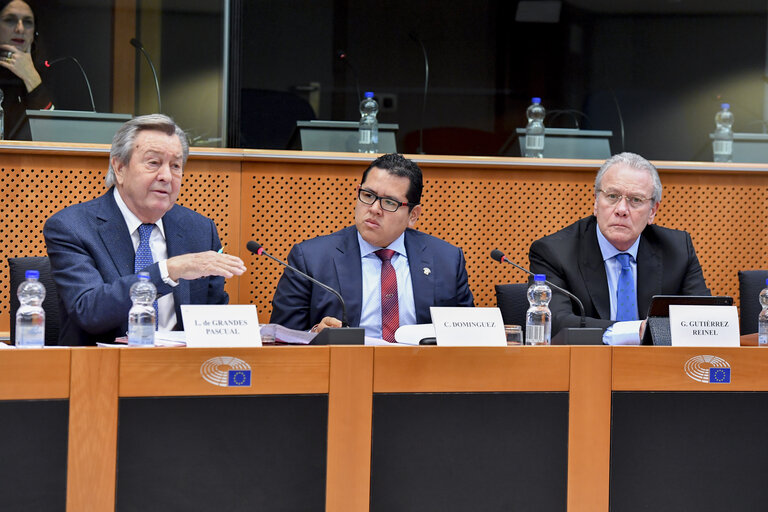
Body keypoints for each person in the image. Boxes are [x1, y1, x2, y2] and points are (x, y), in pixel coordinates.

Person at [43, 114, 246, 345]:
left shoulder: (199, 229)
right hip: (104, 371)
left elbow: (213, 314)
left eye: (176, 166)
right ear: (119, 167)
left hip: (182, 370)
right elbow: (89, 310)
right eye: (153, 163)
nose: (166, 176)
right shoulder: (72, 227)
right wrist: (167, 271)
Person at [269, 153, 474, 341]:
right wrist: (315, 335)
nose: (374, 209)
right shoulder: (310, 259)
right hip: (345, 372)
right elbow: (280, 338)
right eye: (368, 195)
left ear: (413, 215)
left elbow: (468, 336)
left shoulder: (447, 260)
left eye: (389, 202)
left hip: (423, 374)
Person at [528, 152, 709, 344]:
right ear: (596, 203)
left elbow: (703, 318)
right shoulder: (554, 252)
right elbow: (554, 322)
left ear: (653, 211)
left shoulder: (677, 250)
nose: (621, 209)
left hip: (658, 367)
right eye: (612, 196)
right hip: (585, 366)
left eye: (636, 200)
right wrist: (633, 331)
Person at [0, 0, 54, 139]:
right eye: (10, 20)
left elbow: (52, 134)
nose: (20, 29)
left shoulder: (44, 74)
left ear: (34, 33)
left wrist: (31, 76)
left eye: (27, 22)